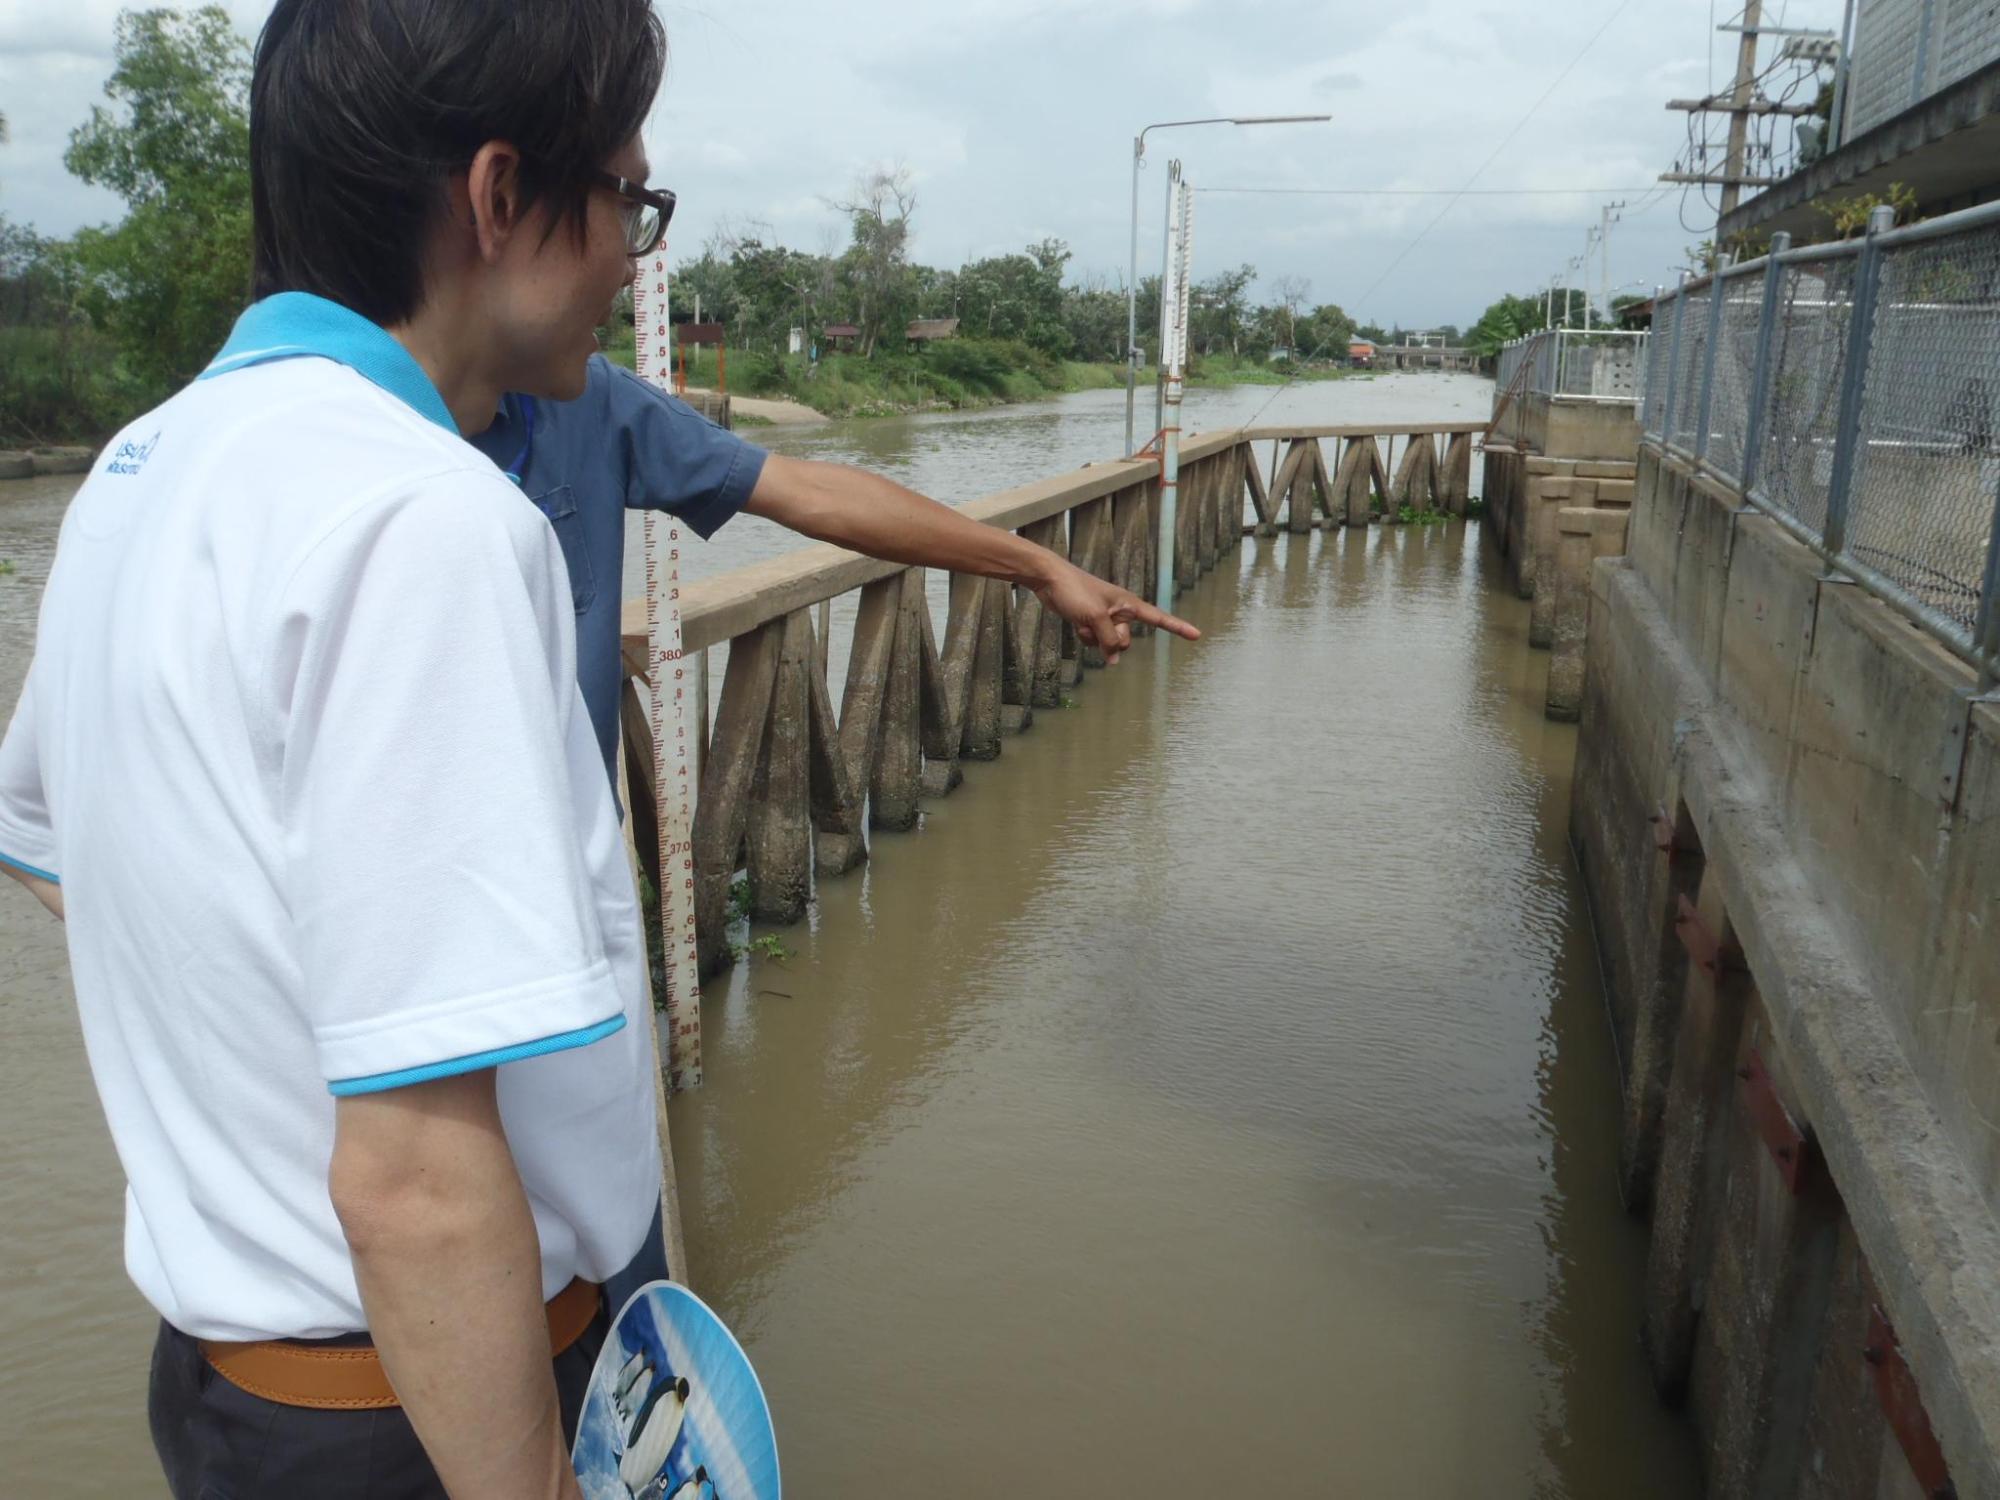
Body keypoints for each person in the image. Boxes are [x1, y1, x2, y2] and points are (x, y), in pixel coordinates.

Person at [0, 1, 677, 1495]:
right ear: (499, 197)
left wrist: (259, 1018)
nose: (634, 254)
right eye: (628, 195)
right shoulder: (420, 518)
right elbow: (420, 1185)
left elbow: (51, 836)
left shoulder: (144, 464)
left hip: (239, 1396)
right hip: (428, 1408)